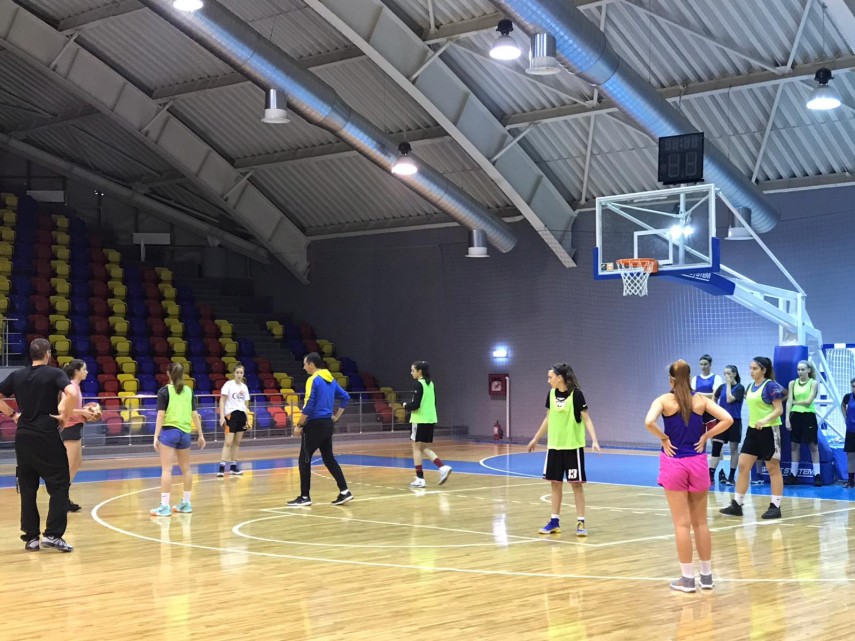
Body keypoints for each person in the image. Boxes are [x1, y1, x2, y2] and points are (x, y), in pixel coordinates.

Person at [644, 359, 733, 592]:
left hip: (674, 462)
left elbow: (649, 422)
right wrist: (706, 436)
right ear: (690, 377)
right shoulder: (701, 400)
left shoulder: (664, 400)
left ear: (671, 380)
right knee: (701, 523)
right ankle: (707, 576)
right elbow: (728, 419)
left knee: (682, 525)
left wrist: (664, 438)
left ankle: (687, 578)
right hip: (698, 462)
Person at [0, 338, 77, 552]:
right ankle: (53, 535)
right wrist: (65, 416)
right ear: (48, 354)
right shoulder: (54, 373)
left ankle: (31, 537)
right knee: (59, 485)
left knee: (27, 488)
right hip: (46, 433)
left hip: (23, 435)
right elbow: (72, 393)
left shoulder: (17, 375)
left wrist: (13, 415)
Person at [527, 363, 601, 537]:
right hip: (554, 446)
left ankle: (581, 522)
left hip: (572, 447)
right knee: (555, 483)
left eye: (550, 377)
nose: (548, 380)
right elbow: (548, 419)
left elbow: (587, 419)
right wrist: (536, 438)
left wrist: (594, 440)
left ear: (559, 378)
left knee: (576, 485)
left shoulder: (577, 395)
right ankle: (554, 522)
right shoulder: (551, 394)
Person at [720, 356, 785, 519]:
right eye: (750, 368)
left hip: (769, 430)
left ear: (763, 370)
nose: (751, 371)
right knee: (743, 465)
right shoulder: (750, 387)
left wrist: (764, 420)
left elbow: (779, 410)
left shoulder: (770, 386)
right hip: (752, 431)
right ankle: (737, 504)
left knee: (773, 468)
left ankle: (775, 506)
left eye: (755, 368)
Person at [287, 353, 353, 507]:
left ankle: (305, 497)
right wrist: (336, 417)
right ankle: (345, 491)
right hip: (327, 424)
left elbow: (309, 404)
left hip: (314, 424)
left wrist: (299, 425)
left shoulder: (313, 380)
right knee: (329, 458)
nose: (304, 367)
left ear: (311, 364)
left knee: (304, 459)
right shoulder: (330, 379)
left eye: (305, 364)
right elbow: (345, 397)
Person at [150, 362, 206, 516]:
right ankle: (186, 503)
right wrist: (201, 434)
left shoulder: (164, 391)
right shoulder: (189, 391)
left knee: (166, 470)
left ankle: (164, 506)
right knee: (186, 468)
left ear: (168, 373)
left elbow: (161, 415)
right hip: (185, 433)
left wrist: (155, 436)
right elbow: (195, 415)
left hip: (170, 432)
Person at [403, 361, 452, 487]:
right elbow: (433, 403)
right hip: (430, 419)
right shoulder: (430, 384)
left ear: (419, 371)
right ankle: (442, 467)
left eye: (413, 370)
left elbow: (416, 405)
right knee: (423, 447)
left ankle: (420, 478)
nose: (411, 373)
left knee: (416, 448)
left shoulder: (418, 384)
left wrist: (405, 405)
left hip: (419, 419)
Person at [61, 359, 99, 512]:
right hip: (69, 428)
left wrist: (84, 413)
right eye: (84, 369)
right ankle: (60, 497)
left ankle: (63, 496)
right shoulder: (71, 387)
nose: (86, 372)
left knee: (77, 463)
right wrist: (83, 412)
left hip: (75, 426)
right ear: (77, 371)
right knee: (70, 465)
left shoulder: (75, 386)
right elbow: (62, 409)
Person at [785, 360, 821, 487]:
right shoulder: (792, 383)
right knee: (794, 446)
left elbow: (808, 401)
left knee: (813, 446)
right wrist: (787, 419)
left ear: (809, 370)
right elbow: (788, 402)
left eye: (803, 369)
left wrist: (794, 402)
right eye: (798, 369)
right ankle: (793, 475)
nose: (800, 372)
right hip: (795, 416)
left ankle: (817, 475)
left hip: (808, 416)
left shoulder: (813, 383)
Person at [709, 365, 744, 486]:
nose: (726, 376)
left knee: (734, 449)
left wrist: (729, 384)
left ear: (734, 374)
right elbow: (714, 398)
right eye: (725, 373)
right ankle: (710, 475)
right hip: (721, 421)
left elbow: (729, 399)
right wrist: (715, 410)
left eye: (728, 373)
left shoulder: (740, 388)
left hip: (734, 421)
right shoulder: (721, 387)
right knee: (716, 447)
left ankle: (731, 476)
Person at [692, 354, 722, 483]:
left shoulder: (717, 378)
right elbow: (691, 395)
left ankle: (718, 470)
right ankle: (700, 471)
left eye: (705, 364)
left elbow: (715, 395)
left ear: (710, 365)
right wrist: (705, 395)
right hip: (698, 414)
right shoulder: (695, 378)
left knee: (716, 443)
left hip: (711, 414)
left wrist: (698, 394)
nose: (703, 367)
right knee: (699, 442)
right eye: (701, 364)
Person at [217, 362, 250, 478]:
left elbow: (245, 404)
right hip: (230, 416)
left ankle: (233, 467)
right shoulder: (228, 385)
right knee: (228, 442)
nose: (239, 375)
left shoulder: (244, 387)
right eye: (237, 372)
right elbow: (222, 401)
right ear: (234, 373)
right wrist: (222, 416)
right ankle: (221, 467)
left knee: (237, 442)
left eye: (241, 373)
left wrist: (247, 418)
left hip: (241, 416)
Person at [841, 378, 855, 489]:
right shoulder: (847, 397)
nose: (854, 388)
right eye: (853, 386)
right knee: (850, 456)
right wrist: (845, 416)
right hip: (851, 431)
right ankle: (850, 480)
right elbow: (842, 405)